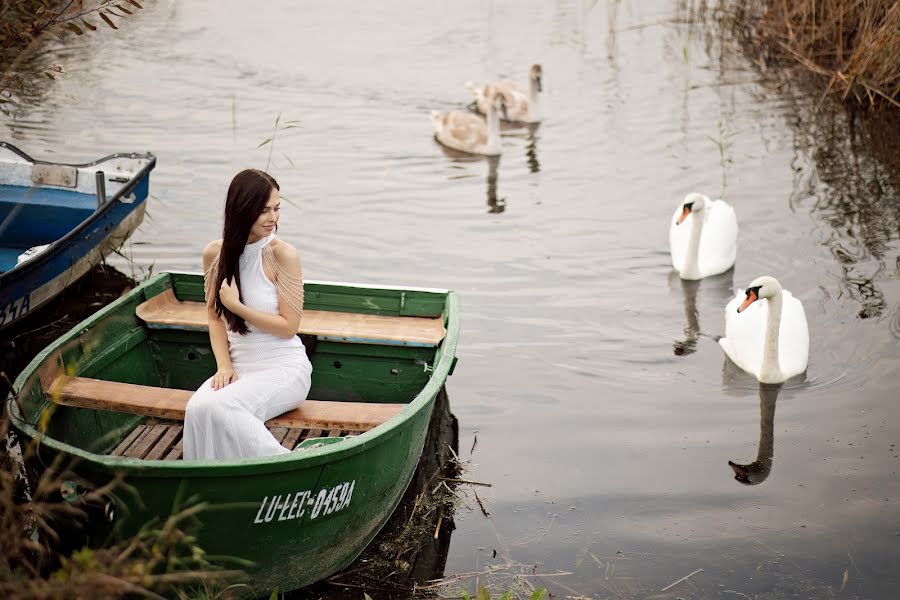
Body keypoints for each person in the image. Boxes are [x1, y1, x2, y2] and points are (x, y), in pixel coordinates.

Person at [183, 169, 312, 460]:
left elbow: (289, 327)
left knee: (223, 408)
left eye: (277, 208)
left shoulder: (283, 255)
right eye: (263, 210)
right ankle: (212, 485)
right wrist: (224, 366)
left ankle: (290, 468)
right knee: (198, 408)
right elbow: (214, 318)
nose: (273, 218)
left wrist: (238, 307)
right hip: (239, 368)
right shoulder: (214, 254)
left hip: (284, 369)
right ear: (241, 210)